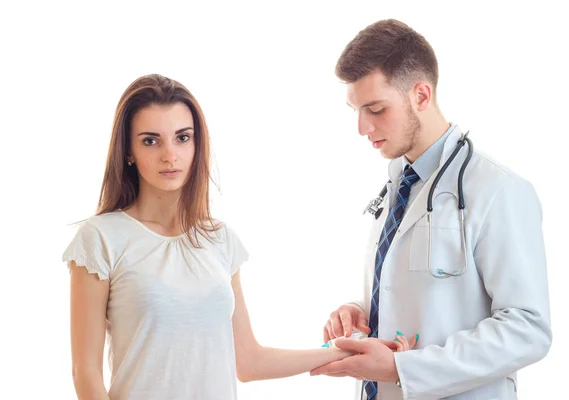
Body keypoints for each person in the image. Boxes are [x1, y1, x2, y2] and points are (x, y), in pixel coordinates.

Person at [63, 73, 399, 400]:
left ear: (197, 143)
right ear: (129, 152)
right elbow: (86, 374)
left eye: (182, 137)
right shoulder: (101, 239)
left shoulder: (219, 240)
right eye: (151, 140)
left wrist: (345, 353)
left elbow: (249, 361)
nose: (170, 155)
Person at [311, 19, 552, 400]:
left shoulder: (498, 189)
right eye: (356, 110)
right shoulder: (399, 185)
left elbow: (528, 328)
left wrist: (401, 369)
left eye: (375, 109)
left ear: (421, 96)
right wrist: (360, 310)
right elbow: (418, 292)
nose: (361, 127)